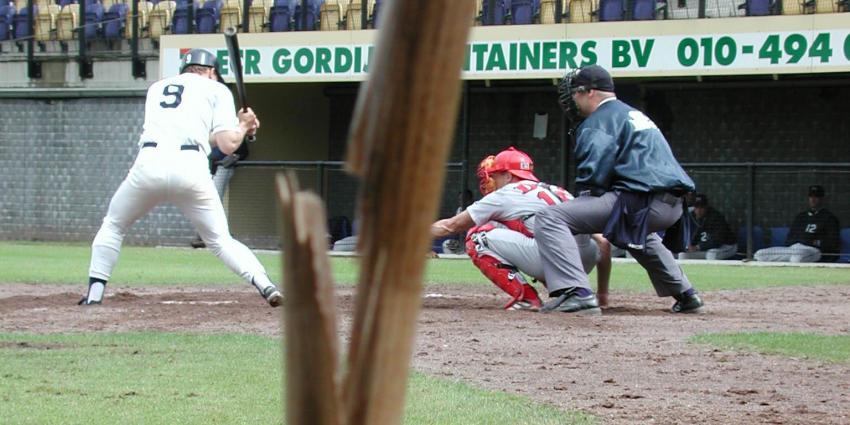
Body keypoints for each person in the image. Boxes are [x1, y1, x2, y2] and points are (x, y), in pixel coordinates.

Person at [79, 49, 282, 307]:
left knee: (114, 225)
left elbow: (202, 135)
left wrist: (240, 127)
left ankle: (94, 295)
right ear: (210, 71)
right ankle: (266, 286)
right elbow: (228, 145)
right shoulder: (217, 89)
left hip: (148, 164)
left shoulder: (157, 88)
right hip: (191, 168)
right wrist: (243, 126)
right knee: (220, 240)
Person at [535, 64, 703, 315]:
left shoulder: (598, 121)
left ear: (589, 92)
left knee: (550, 217)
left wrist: (582, 207)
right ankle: (687, 295)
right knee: (631, 229)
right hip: (672, 206)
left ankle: (577, 293)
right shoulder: (631, 114)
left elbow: (594, 179)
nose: (571, 99)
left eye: (574, 93)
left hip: (643, 201)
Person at [430, 147, 612, 311]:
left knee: (477, 236)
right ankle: (575, 293)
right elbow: (603, 243)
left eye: (495, 175)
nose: (491, 179)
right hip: (583, 261)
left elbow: (450, 226)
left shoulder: (505, 194)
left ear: (508, 176)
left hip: (555, 259)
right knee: (530, 232)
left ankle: (527, 299)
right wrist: (602, 294)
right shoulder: (557, 190)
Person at [754, 185, 840, 263]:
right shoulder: (801, 216)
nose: (813, 199)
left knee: (797, 258)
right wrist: (795, 244)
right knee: (760, 254)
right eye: (811, 196)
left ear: (822, 198)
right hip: (794, 248)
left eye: (816, 196)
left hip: (814, 250)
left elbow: (831, 243)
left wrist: (811, 242)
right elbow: (790, 238)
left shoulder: (829, 218)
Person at [190, 142, 250, 249]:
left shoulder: (233, 130)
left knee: (214, 199)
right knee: (205, 198)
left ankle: (215, 235)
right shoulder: (210, 133)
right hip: (208, 166)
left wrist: (236, 156)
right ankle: (204, 235)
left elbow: (243, 151)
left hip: (223, 166)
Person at [677, 193, 737, 260]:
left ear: (706, 207)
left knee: (711, 255)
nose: (699, 210)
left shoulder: (716, 217)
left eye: (701, 207)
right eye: (696, 207)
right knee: (683, 255)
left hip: (726, 246)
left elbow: (717, 241)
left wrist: (697, 247)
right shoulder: (691, 217)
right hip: (704, 248)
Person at [441, 189, 474, 255]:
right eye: (460, 200)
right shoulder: (459, 209)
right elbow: (456, 228)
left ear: (470, 199)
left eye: (464, 199)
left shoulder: (474, 208)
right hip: (462, 242)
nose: (461, 202)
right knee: (446, 244)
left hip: (473, 241)